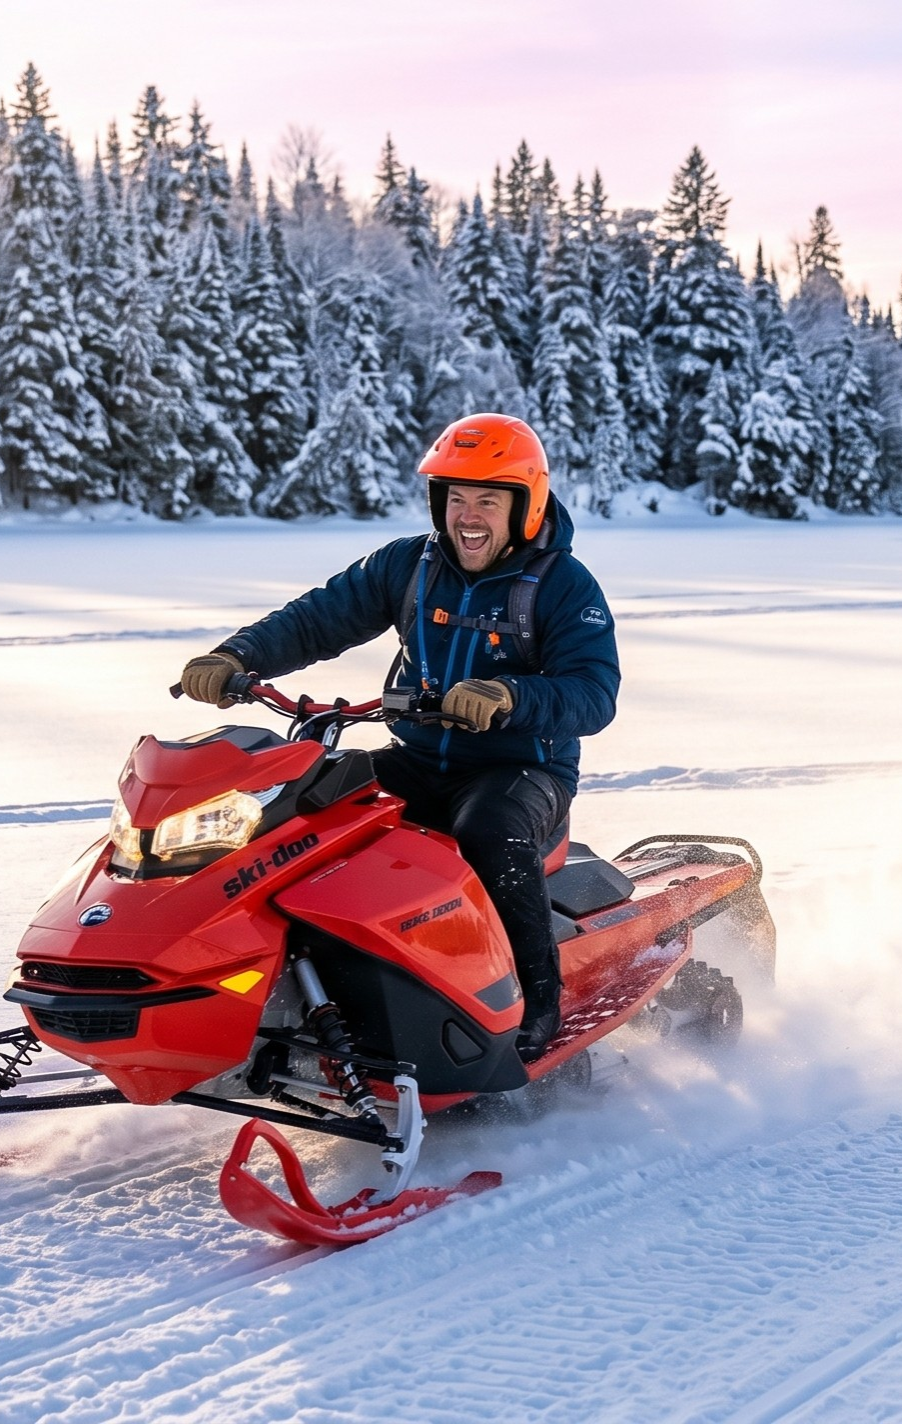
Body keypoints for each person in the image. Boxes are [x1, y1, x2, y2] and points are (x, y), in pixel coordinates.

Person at [178, 414, 618, 1065]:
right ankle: (292, 987)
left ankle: (534, 1001)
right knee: (306, 813)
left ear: (524, 507)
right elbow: (318, 617)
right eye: (455, 499)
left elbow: (594, 692)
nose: (468, 517)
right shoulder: (411, 565)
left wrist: (509, 697)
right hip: (418, 758)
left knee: (491, 833)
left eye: (488, 501)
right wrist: (239, 655)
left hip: (521, 768)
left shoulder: (561, 586)